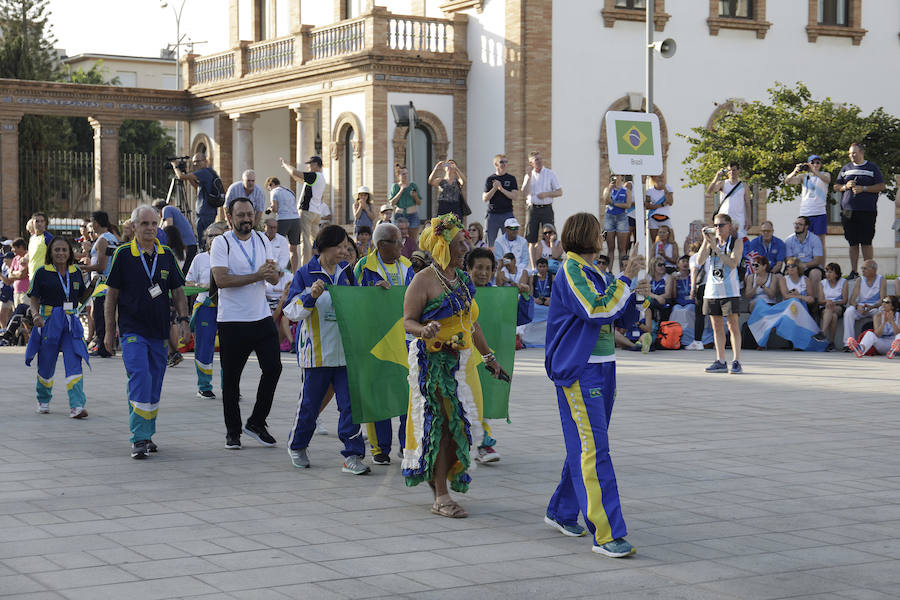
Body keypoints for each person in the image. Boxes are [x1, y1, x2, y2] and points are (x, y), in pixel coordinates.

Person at [543, 212, 646, 557]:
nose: (603, 235)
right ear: (585, 235)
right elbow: (597, 310)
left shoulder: (594, 272)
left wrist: (636, 295)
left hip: (603, 368)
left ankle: (560, 510)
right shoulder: (570, 269)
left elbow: (620, 316)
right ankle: (606, 533)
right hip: (580, 370)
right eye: (598, 231)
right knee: (594, 449)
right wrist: (626, 277)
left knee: (587, 444)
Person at [402, 214, 510, 518]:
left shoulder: (461, 280)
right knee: (441, 426)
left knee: (457, 426)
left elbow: (470, 323)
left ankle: (439, 485)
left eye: (466, 242)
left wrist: (489, 358)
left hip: (460, 364)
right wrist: (423, 330)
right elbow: (407, 320)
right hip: (432, 362)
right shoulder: (424, 280)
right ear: (442, 246)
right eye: (460, 243)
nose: (466, 247)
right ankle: (441, 496)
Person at [104, 205, 190, 459]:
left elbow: (178, 292)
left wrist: (184, 320)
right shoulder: (122, 254)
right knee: (140, 376)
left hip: (159, 331)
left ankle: (147, 434)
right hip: (132, 330)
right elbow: (111, 296)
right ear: (133, 227)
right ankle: (138, 438)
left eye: (154, 224)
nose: (151, 228)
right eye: (145, 224)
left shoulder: (166, 255)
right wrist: (109, 333)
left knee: (154, 384)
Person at [283, 225, 370, 475]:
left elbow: (356, 304)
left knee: (350, 405)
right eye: (340, 246)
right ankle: (297, 445)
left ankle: (352, 455)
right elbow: (291, 311)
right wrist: (310, 296)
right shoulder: (305, 273)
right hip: (317, 354)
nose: (345, 251)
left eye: (346, 246)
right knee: (310, 405)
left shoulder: (346, 272)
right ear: (323, 247)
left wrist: (376, 293)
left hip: (344, 354)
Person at [211, 197, 283, 450]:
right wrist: (256, 275)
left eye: (249, 215)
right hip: (232, 320)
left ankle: (256, 422)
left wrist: (273, 274)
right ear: (229, 218)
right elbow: (221, 280)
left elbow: (274, 277)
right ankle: (233, 432)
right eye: (240, 215)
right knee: (231, 380)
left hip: (261, 317)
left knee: (274, 369)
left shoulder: (263, 240)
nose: (246, 219)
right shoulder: (221, 243)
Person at [353, 222, 414, 465]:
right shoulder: (363, 267)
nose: (402, 245)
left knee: (406, 394)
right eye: (397, 241)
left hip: (404, 342)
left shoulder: (409, 267)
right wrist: (372, 293)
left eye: (402, 240)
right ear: (381, 245)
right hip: (375, 343)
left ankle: (407, 443)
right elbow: (353, 299)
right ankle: (380, 449)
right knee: (377, 395)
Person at [25, 236, 92, 417]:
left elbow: (79, 299)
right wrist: (36, 315)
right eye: (57, 250)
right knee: (46, 362)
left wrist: (92, 287)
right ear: (51, 253)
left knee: (74, 360)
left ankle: (77, 405)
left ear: (70, 253)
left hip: (71, 321)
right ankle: (43, 400)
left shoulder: (75, 271)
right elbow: (33, 300)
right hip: (49, 321)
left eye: (64, 250)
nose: (61, 253)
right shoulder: (42, 272)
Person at [463, 246, 502, 463]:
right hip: (465, 356)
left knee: (483, 401)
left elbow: (516, 319)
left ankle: (483, 443)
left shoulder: (499, 294)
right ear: (468, 268)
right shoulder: (460, 291)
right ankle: (475, 444)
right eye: (478, 267)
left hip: (488, 356)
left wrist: (523, 297)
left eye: (488, 268)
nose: (484, 273)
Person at [185, 222, 227, 399]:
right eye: (210, 236)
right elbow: (187, 282)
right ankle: (204, 385)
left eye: (218, 235)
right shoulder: (199, 258)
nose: (213, 239)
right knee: (204, 346)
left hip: (228, 308)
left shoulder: (231, 257)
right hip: (205, 307)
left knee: (231, 348)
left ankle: (230, 386)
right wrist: (199, 285)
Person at [748, 258, 826, 352]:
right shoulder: (784, 279)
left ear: (798, 268)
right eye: (788, 266)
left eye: (792, 266)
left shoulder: (805, 280)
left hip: (801, 308)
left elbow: (811, 299)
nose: (789, 268)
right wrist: (799, 296)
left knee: (795, 304)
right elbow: (785, 296)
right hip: (789, 307)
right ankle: (794, 342)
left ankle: (798, 343)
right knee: (793, 304)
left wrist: (797, 296)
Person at [697, 214, 743, 373]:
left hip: (729, 290)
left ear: (729, 226)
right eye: (715, 225)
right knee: (716, 326)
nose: (718, 228)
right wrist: (706, 241)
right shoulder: (712, 242)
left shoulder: (736, 242)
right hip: (712, 290)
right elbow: (699, 261)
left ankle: (736, 360)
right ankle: (720, 360)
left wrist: (717, 249)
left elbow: (732, 263)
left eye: (721, 225)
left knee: (733, 326)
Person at [833, 143, 885, 279]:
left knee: (866, 241)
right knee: (852, 242)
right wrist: (845, 186)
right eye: (850, 154)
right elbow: (836, 186)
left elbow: (881, 186)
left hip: (867, 210)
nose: (852, 156)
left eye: (854, 153)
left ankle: (869, 271)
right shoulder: (846, 168)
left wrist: (864, 188)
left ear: (862, 152)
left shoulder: (872, 167)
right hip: (848, 211)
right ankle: (854, 271)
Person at [80, 211, 120, 358]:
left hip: (102, 285)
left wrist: (82, 267)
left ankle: (104, 347)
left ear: (95, 223)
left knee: (100, 317)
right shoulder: (112, 237)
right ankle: (108, 346)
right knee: (106, 317)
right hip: (107, 284)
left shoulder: (103, 240)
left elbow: (102, 266)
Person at [170, 153, 224, 250]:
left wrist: (175, 166)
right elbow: (197, 187)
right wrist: (188, 175)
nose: (195, 164)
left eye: (198, 161)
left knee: (204, 242)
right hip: (207, 212)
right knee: (205, 241)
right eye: (194, 162)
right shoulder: (209, 172)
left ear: (205, 161)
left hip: (205, 213)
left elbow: (181, 177)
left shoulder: (203, 172)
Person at [785, 155, 830, 262]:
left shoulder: (825, 174)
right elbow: (788, 181)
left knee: (820, 242)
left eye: (818, 162)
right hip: (805, 213)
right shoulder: (803, 177)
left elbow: (826, 180)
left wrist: (813, 170)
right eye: (812, 162)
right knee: (804, 240)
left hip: (819, 212)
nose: (815, 165)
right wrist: (795, 171)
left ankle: (821, 268)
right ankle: (806, 264)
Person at [282, 155, 326, 264]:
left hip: (307, 211)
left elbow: (296, 173)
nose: (308, 167)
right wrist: (290, 171)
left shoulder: (314, 176)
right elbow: (297, 178)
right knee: (316, 241)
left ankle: (305, 267)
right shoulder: (321, 178)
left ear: (316, 164)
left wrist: (285, 165)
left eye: (310, 164)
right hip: (316, 213)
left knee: (305, 241)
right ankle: (320, 265)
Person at [521, 151, 562, 264]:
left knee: (550, 236)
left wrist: (546, 194)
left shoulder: (550, 173)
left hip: (546, 208)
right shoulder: (528, 176)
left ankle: (552, 263)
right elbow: (524, 193)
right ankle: (534, 267)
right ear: (531, 163)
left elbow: (559, 192)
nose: (539, 161)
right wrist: (528, 177)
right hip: (532, 208)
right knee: (531, 239)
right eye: (536, 160)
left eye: (540, 159)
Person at [842, 259, 886, 351]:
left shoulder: (881, 279)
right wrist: (857, 306)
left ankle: (879, 341)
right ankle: (848, 343)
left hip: (874, 307)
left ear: (874, 269)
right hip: (861, 307)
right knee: (849, 312)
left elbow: (883, 299)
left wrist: (872, 306)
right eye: (862, 268)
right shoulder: (859, 280)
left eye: (865, 268)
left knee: (882, 311)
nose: (862, 271)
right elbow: (852, 300)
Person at [707, 162, 751, 239]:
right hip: (724, 218)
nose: (731, 172)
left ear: (738, 170)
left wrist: (748, 219)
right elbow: (710, 191)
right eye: (729, 170)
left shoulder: (744, 185)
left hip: (739, 218)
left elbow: (747, 203)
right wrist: (717, 177)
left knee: (739, 239)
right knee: (722, 239)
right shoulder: (723, 183)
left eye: (734, 170)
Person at [266, 175, 301, 272]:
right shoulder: (290, 191)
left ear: (271, 184)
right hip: (295, 219)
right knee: (293, 249)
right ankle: (294, 273)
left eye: (269, 188)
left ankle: (277, 271)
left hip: (283, 220)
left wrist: (269, 209)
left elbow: (275, 208)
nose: (269, 190)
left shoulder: (274, 191)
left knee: (277, 245)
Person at [482, 154, 518, 245]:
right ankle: (490, 259)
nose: (504, 164)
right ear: (496, 164)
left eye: (506, 162)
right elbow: (485, 198)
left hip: (507, 214)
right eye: (502, 162)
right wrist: (494, 188)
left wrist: (501, 189)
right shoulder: (490, 179)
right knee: (490, 241)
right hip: (492, 215)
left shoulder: (511, 179)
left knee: (509, 242)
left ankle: (508, 259)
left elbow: (515, 196)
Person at [154, 198, 198, 273]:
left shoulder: (166, 209)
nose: (159, 216)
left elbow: (168, 227)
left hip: (186, 246)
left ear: (158, 209)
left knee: (182, 273)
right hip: (189, 244)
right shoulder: (173, 209)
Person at [602, 174, 632, 271]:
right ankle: (609, 272)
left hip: (621, 217)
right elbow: (605, 200)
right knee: (610, 249)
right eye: (613, 176)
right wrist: (610, 189)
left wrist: (614, 203)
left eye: (617, 176)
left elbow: (628, 205)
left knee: (622, 249)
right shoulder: (608, 188)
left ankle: (622, 272)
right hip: (609, 217)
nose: (615, 178)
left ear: (622, 177)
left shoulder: (626, 190)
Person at [784, 216, 824, 289]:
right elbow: (788, 259)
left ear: (806, 226)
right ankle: (791, 298)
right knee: (788, 272)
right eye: (795, 224)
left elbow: (817, 261)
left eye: (800, 224)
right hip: (794, 265)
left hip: (810, 266)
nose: (796, 226)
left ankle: (814, 299)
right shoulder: (789, 240)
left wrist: (803, 265)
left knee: (815, 273)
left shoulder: (815, 239)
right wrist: (797, 266)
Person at [669, 255, 698, 347]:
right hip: (679, 303)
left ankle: (688, 340)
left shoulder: (693, 276)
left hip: (691, 303)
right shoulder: (675, 277)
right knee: (675, 310)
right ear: (678, 264)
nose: (685, 263)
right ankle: (674, 337)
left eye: (687, 261)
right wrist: (673, 281)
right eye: (683, 261)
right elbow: (673, 295)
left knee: (688, 310)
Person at [818, 262, 847, 351]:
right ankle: (831, 343)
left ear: (836, 273)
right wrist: (827, 301)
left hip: (838, 306)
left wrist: (834, 302)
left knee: (831, 309)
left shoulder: (843, 282)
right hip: (825, 307)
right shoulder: (822, 283)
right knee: (833, 316)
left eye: (830, 272)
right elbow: (820, 300)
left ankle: (822, 332)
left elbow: (844, 300)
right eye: (826, 272)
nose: (828, 274)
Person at [389, 165, 422, 238]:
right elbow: (392, 203)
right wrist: (401, 190)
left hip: (412, 215)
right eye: (403, 174)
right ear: (398, 175)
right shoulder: (395, 186)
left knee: (412, 240)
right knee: (399, 238)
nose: (405, 175)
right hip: (400, 215)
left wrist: (415, 196)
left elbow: (419, 202)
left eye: (406, 173)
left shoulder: (413, 185)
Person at [645, 174, 674, 242]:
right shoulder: (649, 191)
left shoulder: (668, 188)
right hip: (653, 218)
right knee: (655, 241)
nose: (661, 179)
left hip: (665, 217)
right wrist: (662, 204)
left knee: (670, 239)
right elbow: (647, 206)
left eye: (662, 177)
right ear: (654, 178)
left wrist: (665, 189)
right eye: (659, 177)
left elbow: (670, 202)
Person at [27, 212, 54, 284]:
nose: (39, 223)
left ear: (45, 223)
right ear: (32, 223)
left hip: (45, 277)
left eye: (42, 221)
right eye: (37, 221)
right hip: (32, 276)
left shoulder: (48, 238)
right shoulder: (32, 238)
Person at [7, 238, 29, 308]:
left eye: (14, 248)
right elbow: (9, 276)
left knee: (26, 315)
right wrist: (18, 273)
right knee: (17, 315)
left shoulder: (28, 256)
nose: (12, 250)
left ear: (21, 247)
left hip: (26, 292)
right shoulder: (15, 259)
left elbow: (23, 274)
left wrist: (14, 273)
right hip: (16, 292)